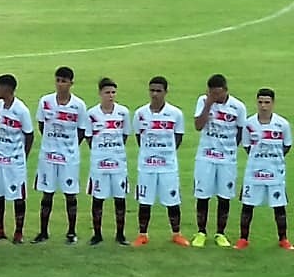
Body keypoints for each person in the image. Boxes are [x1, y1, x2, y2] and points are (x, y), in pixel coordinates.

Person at [132, 76, 189, 246]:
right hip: (146, 166)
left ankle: (176, 234)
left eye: (158, 91)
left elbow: (178, 138)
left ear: (165, 92)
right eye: (152, 91)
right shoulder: (140, 114)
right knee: (145, 201)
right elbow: (138, 137)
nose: (155, 94)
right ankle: (143, 234)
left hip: (168, 166)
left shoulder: (175, 114)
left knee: (172, 201)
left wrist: (165, 153)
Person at [192, 73, 247, 247]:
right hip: (205, 157)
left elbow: (240, 132)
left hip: (227, 160)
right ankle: (201, 232)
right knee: (203, 195)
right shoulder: (203, 101)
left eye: (217, 93)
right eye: (211, 93)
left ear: (225, 90)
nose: (215, 96)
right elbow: (198, 126)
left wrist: (229, 149)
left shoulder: (238, 107)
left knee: (224, 196)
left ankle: (220, 233)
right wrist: (208, 105)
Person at [33, 66, 87, 244]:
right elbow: (42, 125)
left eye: (64, 81)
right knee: (46, 194)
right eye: (58, 80)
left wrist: (68, 146)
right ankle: (43, 232)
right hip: (48, 156)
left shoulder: (78, 105)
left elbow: (81, 131)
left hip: (69, 158)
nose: (60, 84)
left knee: (70, 195)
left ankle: (71, 232)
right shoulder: (45, 101)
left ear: (71, 83)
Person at [236, 88, 292, 250]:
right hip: (254, 173)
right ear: (257, 103)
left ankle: (283, 239)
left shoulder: (282, 124)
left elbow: (286, 146)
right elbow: (246, 146)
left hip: (275, 173)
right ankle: (243, 239)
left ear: (273, 103)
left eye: (267, 102)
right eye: (260, 102)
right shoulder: (249, 124)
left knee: (279, 207)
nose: (263, 106)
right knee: (247, 205)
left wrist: (272, 161)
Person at [85, 77, 132, 245]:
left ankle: (120, 235)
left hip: (118, 163)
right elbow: (89, 138)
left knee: (120, 198)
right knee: (98, 198)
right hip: (99, 163)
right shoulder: (91, 114)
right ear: (100, 93)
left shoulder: (123, 112)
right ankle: (97, 235)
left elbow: (125, 135)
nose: (110, 96)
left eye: (113, 92)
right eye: (107, 92)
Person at [0, 74, 34, 243]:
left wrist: (23, 156)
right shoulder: (0, 105)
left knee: (18, 196)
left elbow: (29, 135)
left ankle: (18, 232)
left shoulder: (21, 110)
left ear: (6, 89)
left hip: (15, 161)